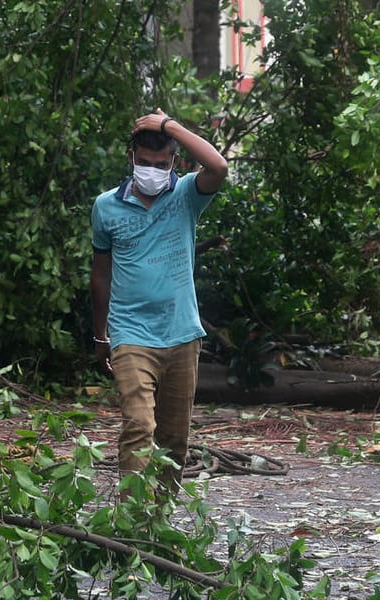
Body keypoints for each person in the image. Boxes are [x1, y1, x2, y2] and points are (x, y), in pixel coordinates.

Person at [90, 109, 228, 490]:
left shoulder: (185, 195)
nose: (151, 169)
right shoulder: (106, 206)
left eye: (160, 163)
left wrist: (169, 126)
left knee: (173, 442)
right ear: (131, 158)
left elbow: (218, 166)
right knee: (137, 426)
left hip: (182, 333)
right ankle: (133, 520)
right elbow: (100, 273)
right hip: (131, 334)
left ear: (174, 162)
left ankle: (158, 526)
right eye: (144, 162)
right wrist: (100, 334)